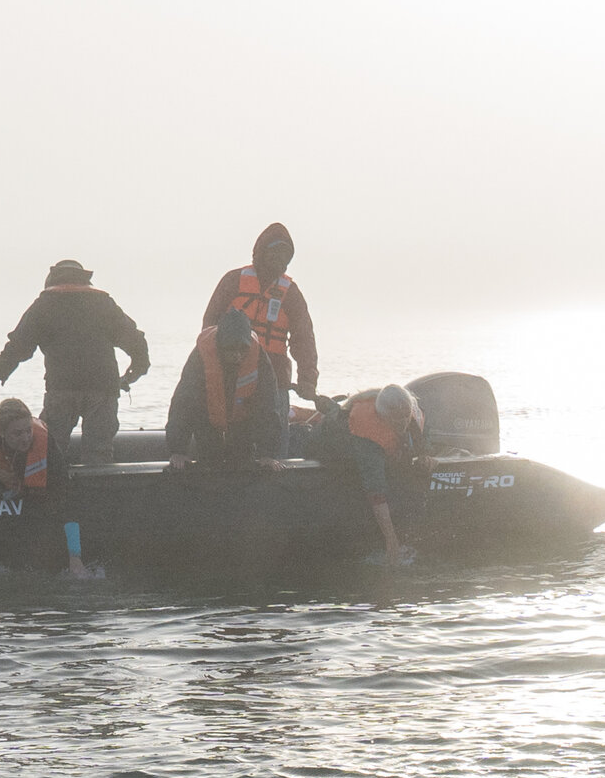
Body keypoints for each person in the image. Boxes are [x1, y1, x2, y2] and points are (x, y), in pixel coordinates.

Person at [0, 260, 148, 467]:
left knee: (51, 448)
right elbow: (133, 338)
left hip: (62, 388)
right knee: (99, 452)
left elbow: (20, 343)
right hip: (103, 388)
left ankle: (52, 491)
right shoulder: (103, 303)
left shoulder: (44, 304)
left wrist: (0, 370)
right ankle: (98, 494)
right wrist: (139, 366)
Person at [0, 398, 96, 577]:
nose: (25, 438)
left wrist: (75, 557)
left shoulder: (45, 442)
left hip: (31, 497)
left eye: (28, 430)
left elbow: (66, 497)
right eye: (17, 433)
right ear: (1, 432)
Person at [305, 383, 432, 564]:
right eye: (397, 421)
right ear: (384, 418)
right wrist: (391, 540)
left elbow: (418, 434)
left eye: (405, 418)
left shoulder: (407, 412)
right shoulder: (368, 438)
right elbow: (376, 492)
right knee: (359, 474)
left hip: (374, 447)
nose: (403, 423)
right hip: (328, 445)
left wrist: (425, 454)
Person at [202, 223, 318, 403]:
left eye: (285, 253)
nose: (279, 257)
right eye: (275, 250)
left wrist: (307, 380)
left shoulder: (291, 294)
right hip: (230, 373)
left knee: (275, 429)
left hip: (274, 380)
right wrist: (208, 367)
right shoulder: (233, 281)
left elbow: (304, 340)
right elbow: (209, 328)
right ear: (261, 251)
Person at [165, 310, 286, 472]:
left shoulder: (259, 359)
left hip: (242, 428)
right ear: (220, 344)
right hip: (207, 425)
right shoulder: (200, 357)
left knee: (243, 464)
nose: (237, 355)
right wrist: (177, 450)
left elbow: (268, 405)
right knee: (208, 465)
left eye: (242, 349)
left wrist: (268, 453)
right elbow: (183, 403)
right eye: (231, 349)